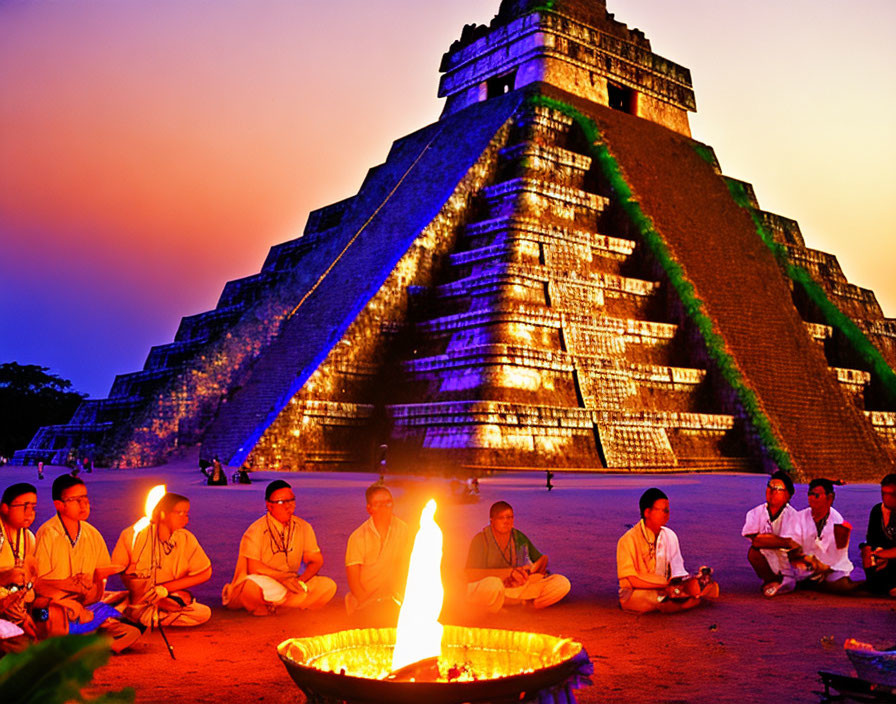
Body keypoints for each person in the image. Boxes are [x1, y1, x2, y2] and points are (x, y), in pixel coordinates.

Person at [33, 475, 140, 652]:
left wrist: (100, 578)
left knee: (133, 627)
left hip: (84, 606)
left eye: (85, 498)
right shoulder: (48, 534)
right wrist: (67, 588)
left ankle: (85, 636)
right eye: (76, 500)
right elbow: (36, 586)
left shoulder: (92, 534)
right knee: (46, 614)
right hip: (54, 607)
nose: (84, 505)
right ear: (59, 505)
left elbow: (98, 585)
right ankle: (80, 637)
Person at [222, 480, 336, 616]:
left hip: (293, 582)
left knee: (328, 586)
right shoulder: (256, 530)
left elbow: (316, 560)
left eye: (292, 501)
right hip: (266, 582)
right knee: (249, 588)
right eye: (283, 502)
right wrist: (283, 578)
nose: (289, 507)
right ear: (269, 506)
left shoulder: (303, 527)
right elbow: (254, 567)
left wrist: (300, 581)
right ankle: (292, 604)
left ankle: (280, 605)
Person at [112, 492, 212, 627]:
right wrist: (150, 595)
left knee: (202, 613)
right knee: (122, 610)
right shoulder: (133, 535)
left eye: (186, 514)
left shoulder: (185, 538)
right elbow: (121, 571)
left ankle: (152, 619)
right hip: (140, 600)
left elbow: (205, 572)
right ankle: (146, 618)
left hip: (169, 597)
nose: (185, 518)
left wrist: (165, 590)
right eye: (179, 513)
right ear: (163, 514)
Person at [617, 488, 719, 613]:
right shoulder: (627, 540)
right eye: (663, 510)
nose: (666, 514)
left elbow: (677, 573)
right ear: (647, 512)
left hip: (666, 588)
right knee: (653, 597)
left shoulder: (670, 535)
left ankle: (682, 598)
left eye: (668, 511)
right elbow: (631, 580)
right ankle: (681, 603)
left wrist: (690, 581)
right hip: (636, 592)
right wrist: (663, 585)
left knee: (696, 587)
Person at [465, 501, 570, 612]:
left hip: (517, 589)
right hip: (494, 589)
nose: (507, 522)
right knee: (493, 585)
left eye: (510, 517)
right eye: (501, 518)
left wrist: (533, 571)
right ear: (492, 521)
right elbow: (471, 574)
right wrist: (508, 573)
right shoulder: (481, 540)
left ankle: (530, 606)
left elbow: (540, 561)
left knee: (562, 583)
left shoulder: (518, 537)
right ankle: (499, 605)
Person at [344, 485, 411, 618]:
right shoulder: (358, 537)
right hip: (365, 599)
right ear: (369, 509)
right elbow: (353, 580)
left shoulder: (403, 529)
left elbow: (406, 565)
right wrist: (365, 601)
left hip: (394, 597)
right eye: (378, 504)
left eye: (388, 503)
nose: (384, 507)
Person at [742, 470, 805, 597]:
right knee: (753, 552)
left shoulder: (794, 516)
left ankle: (786, 581)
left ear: (787, 495)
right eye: (769, 487)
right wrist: (780, 541)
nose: (771, 491)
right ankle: (771, 579)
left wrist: (768, 540)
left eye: (777, 489)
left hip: (788, 564)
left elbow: (791, 544)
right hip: (768, 557)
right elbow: (756, 541)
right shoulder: (754, 513)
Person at [794, 478, 859, 593]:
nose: (811, 498)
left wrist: (823, 566)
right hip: (805, 567)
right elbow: (793, 546)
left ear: (829, 498)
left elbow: (839, 556)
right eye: (810, 494)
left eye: (816, 495)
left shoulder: (838, 521)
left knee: (843, 587)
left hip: (828, 568)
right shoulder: (799, 517)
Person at [0, 483, 38, 651]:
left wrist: (24, 616)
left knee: (46, 620)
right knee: (21, 645)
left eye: (33, 507)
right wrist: (4, 577)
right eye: (24, 506)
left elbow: (31, 583)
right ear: (5, 508)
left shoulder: (28, 537)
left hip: (19, 608)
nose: (30, 513)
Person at [860, 473, 896, 596]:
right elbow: (871, 539)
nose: (887, 498)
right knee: (866, 551)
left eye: (891, 494)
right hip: (881, 559)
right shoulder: (877, 511)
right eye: (884, 493)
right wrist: (872, 552)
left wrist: (881, 555)